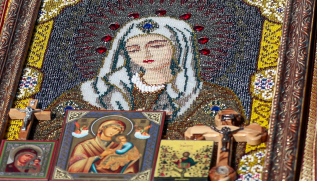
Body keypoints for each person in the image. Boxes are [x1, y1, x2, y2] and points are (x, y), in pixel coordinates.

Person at [37, 16, 244, 139]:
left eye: (156, 45)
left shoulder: (208, 96)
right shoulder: (96, 91)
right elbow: (51, 130)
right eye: (134, 49)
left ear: (178, 48)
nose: (145, 54)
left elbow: (226, 137)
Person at [67, 119, 140, 174]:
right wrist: (101, 155)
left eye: (119, 130)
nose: (115, 132)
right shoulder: (84, 146)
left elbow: (131, 165)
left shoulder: (120, 146)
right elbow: (73, 168)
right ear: (102, 128)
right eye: (114, 128)